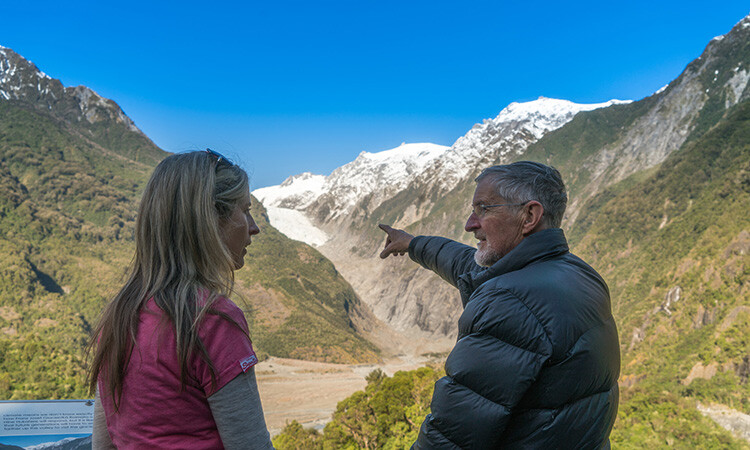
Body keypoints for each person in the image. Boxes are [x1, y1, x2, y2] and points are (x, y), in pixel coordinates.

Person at [379, 161, 620, 449]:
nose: (470, 224)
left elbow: (453, 434)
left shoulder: (509, 302)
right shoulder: (575, 272)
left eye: (483, 208)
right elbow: (465, 264)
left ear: (529, 215)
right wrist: (413, 244)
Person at [88, 150, 274, 449]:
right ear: (211, 218)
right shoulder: (214, 320)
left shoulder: (119, 316)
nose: (254, 227)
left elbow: (103, 442)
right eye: (245, 210)